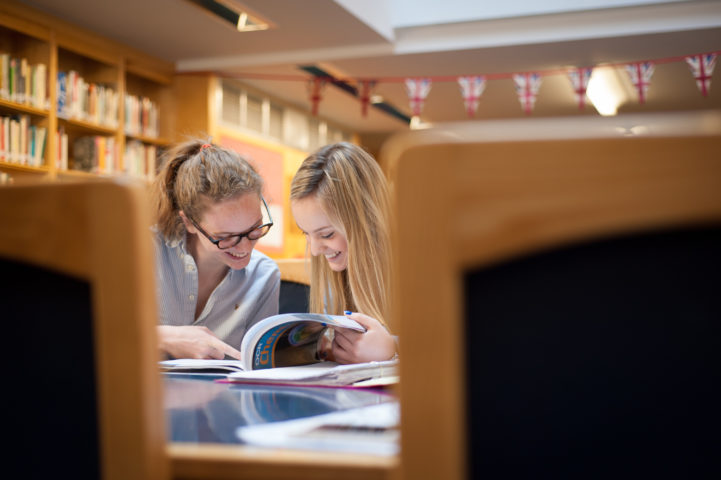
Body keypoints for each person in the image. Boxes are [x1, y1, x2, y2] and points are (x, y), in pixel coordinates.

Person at [152, 139, 280, 360]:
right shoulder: (144, 251)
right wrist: (165, 338)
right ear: (189, 222)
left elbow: (258, 365)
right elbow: (97, 334)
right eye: (225, 237)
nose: (245, 247)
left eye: (254, 229)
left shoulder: (264, 275)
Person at [290, 142, 397, 364]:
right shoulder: (334, 278)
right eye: (306, 234)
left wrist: (393, 349)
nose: (316, 250)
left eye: (327, 234)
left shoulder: (424, 267)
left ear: (367, 221)